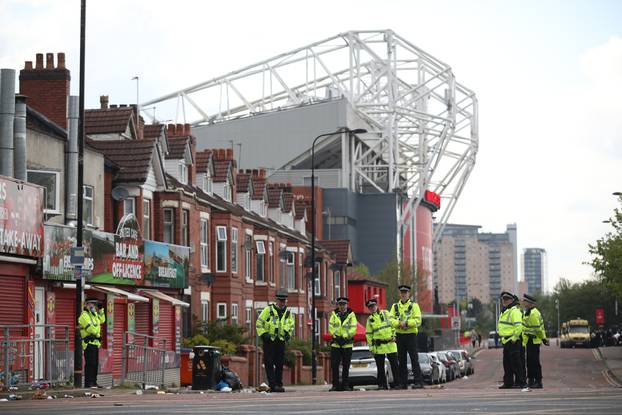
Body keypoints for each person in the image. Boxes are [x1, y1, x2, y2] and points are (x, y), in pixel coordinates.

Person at [256, 289, 294, 392]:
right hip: (270, 340)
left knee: (279, 363)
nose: (282, 303)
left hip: (280, 340)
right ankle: (273, 385)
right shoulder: (268, 310)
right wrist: (264, 334)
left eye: (284, 301)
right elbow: (259, 323)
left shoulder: (287, 312)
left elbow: (291, 325)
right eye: (280, 300)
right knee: (269, 363)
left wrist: (288, 334)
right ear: (276, 300)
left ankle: (279, 384)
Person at [389, 285, 424, 389]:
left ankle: (418, 382)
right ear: (399, 294)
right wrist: (399, 324)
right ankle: (402, 383)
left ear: (409, 294)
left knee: (414, 359)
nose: (403, 294)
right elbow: (390, 319)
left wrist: (407, 323)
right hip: (400, 335)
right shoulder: (395, 306)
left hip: (411, 335)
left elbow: (418, 320)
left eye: (405, 292)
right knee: (401, 360)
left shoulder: (414, 306)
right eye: (402, 292)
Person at [365, 298, 400, 390]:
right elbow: (369, 335)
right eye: (370, 307)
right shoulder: (370, 319)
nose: (372, 308)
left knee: (395, 365)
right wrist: (371, 348)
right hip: (379, 346)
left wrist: (394, 335)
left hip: (390, 343)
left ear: (377, 306)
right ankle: (382, 385)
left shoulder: (386, 313)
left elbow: (393, 325)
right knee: (380, 367)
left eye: (373, 306)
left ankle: (397, 384)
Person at [497, 291, 526, 389]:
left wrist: (514, 338)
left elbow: (519, 327)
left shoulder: (514, 311)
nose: (504, 301)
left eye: (506, 299)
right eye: (503, 299)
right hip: (506, 340)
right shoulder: (505, 311)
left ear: (511, 300)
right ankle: (508, 383)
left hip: (512, 341)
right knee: (507, 364)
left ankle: (521, 383)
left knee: (516, 364)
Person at [328, 296, 357, 391]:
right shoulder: (334, 315)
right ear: (338, 305)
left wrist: (344, 336)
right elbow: (331, 328)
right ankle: (335, 385)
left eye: (344, 304)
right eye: (340, 305)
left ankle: (345, 385)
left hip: (347, 344)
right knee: (334, 366)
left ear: (347, 305)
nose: (342, 306)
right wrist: (336, 337)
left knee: (346, 366)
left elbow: (353, 329)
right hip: (336, 344)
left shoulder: (351, 315)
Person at [521, 293, 549, 389]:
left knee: (534, 362)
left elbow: (538, 329)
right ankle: (531, 380)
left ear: (530, 303)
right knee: (530, 361)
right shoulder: (528, 312)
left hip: (533, 340)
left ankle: (538, 381)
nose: (524, 303)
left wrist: (543, 339)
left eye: (525, 302)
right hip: (530, 340)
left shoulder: (533, 314)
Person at [78, 298, 106, 388]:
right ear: (86, 305)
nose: (92, 306)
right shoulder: (84, 315)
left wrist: (101, 310)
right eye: (91, 304)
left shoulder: (94, 315)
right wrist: (98, 335)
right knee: (90, 364)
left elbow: (102, 320)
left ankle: (94, 382)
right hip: (88, 343)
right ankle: (88, 383)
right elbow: (90, 328)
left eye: (94, 305)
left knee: (95, 364)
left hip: (95, 343)